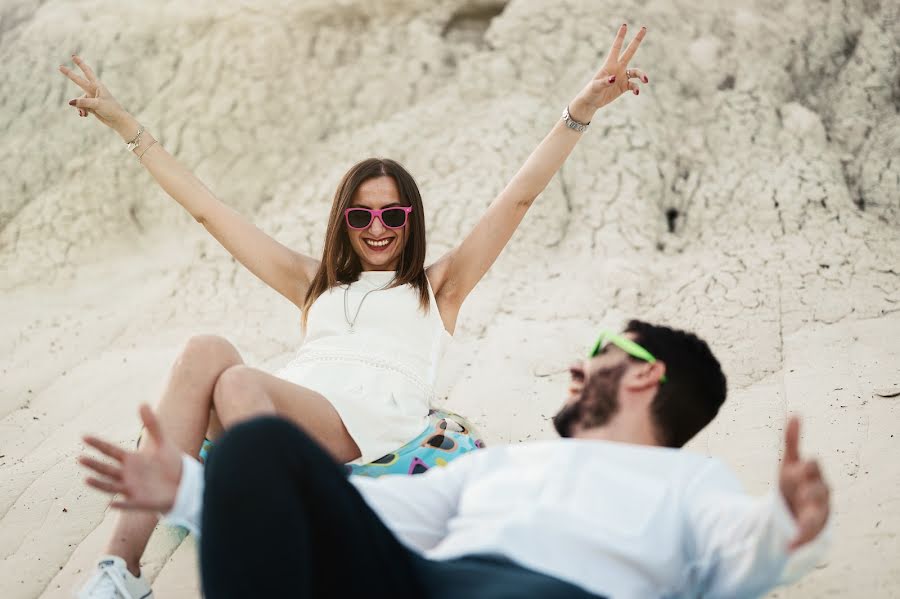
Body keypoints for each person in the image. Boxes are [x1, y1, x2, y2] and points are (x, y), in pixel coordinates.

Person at [61, 20, 652, 599]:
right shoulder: (312, 284)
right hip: (288, 404)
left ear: (409, 221)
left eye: (392, 215)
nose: (377, 228)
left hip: (366, 421)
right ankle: (119, 569)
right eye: (362, 214)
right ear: (343, 220)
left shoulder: (438, 286)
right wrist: (126, 127)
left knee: (238, 381)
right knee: (204, 351)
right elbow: (210, 212)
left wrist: (582, 111)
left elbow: (519, 198)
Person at [79, 320, 831, 598]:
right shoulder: (505, 466)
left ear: (644, 374)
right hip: (415, 579)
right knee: (260, 446)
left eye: (599, 351)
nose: (579, 367)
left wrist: (789, 523)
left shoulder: (688, 480)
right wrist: (191, 492)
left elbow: (744, 553)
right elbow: (365, 514)